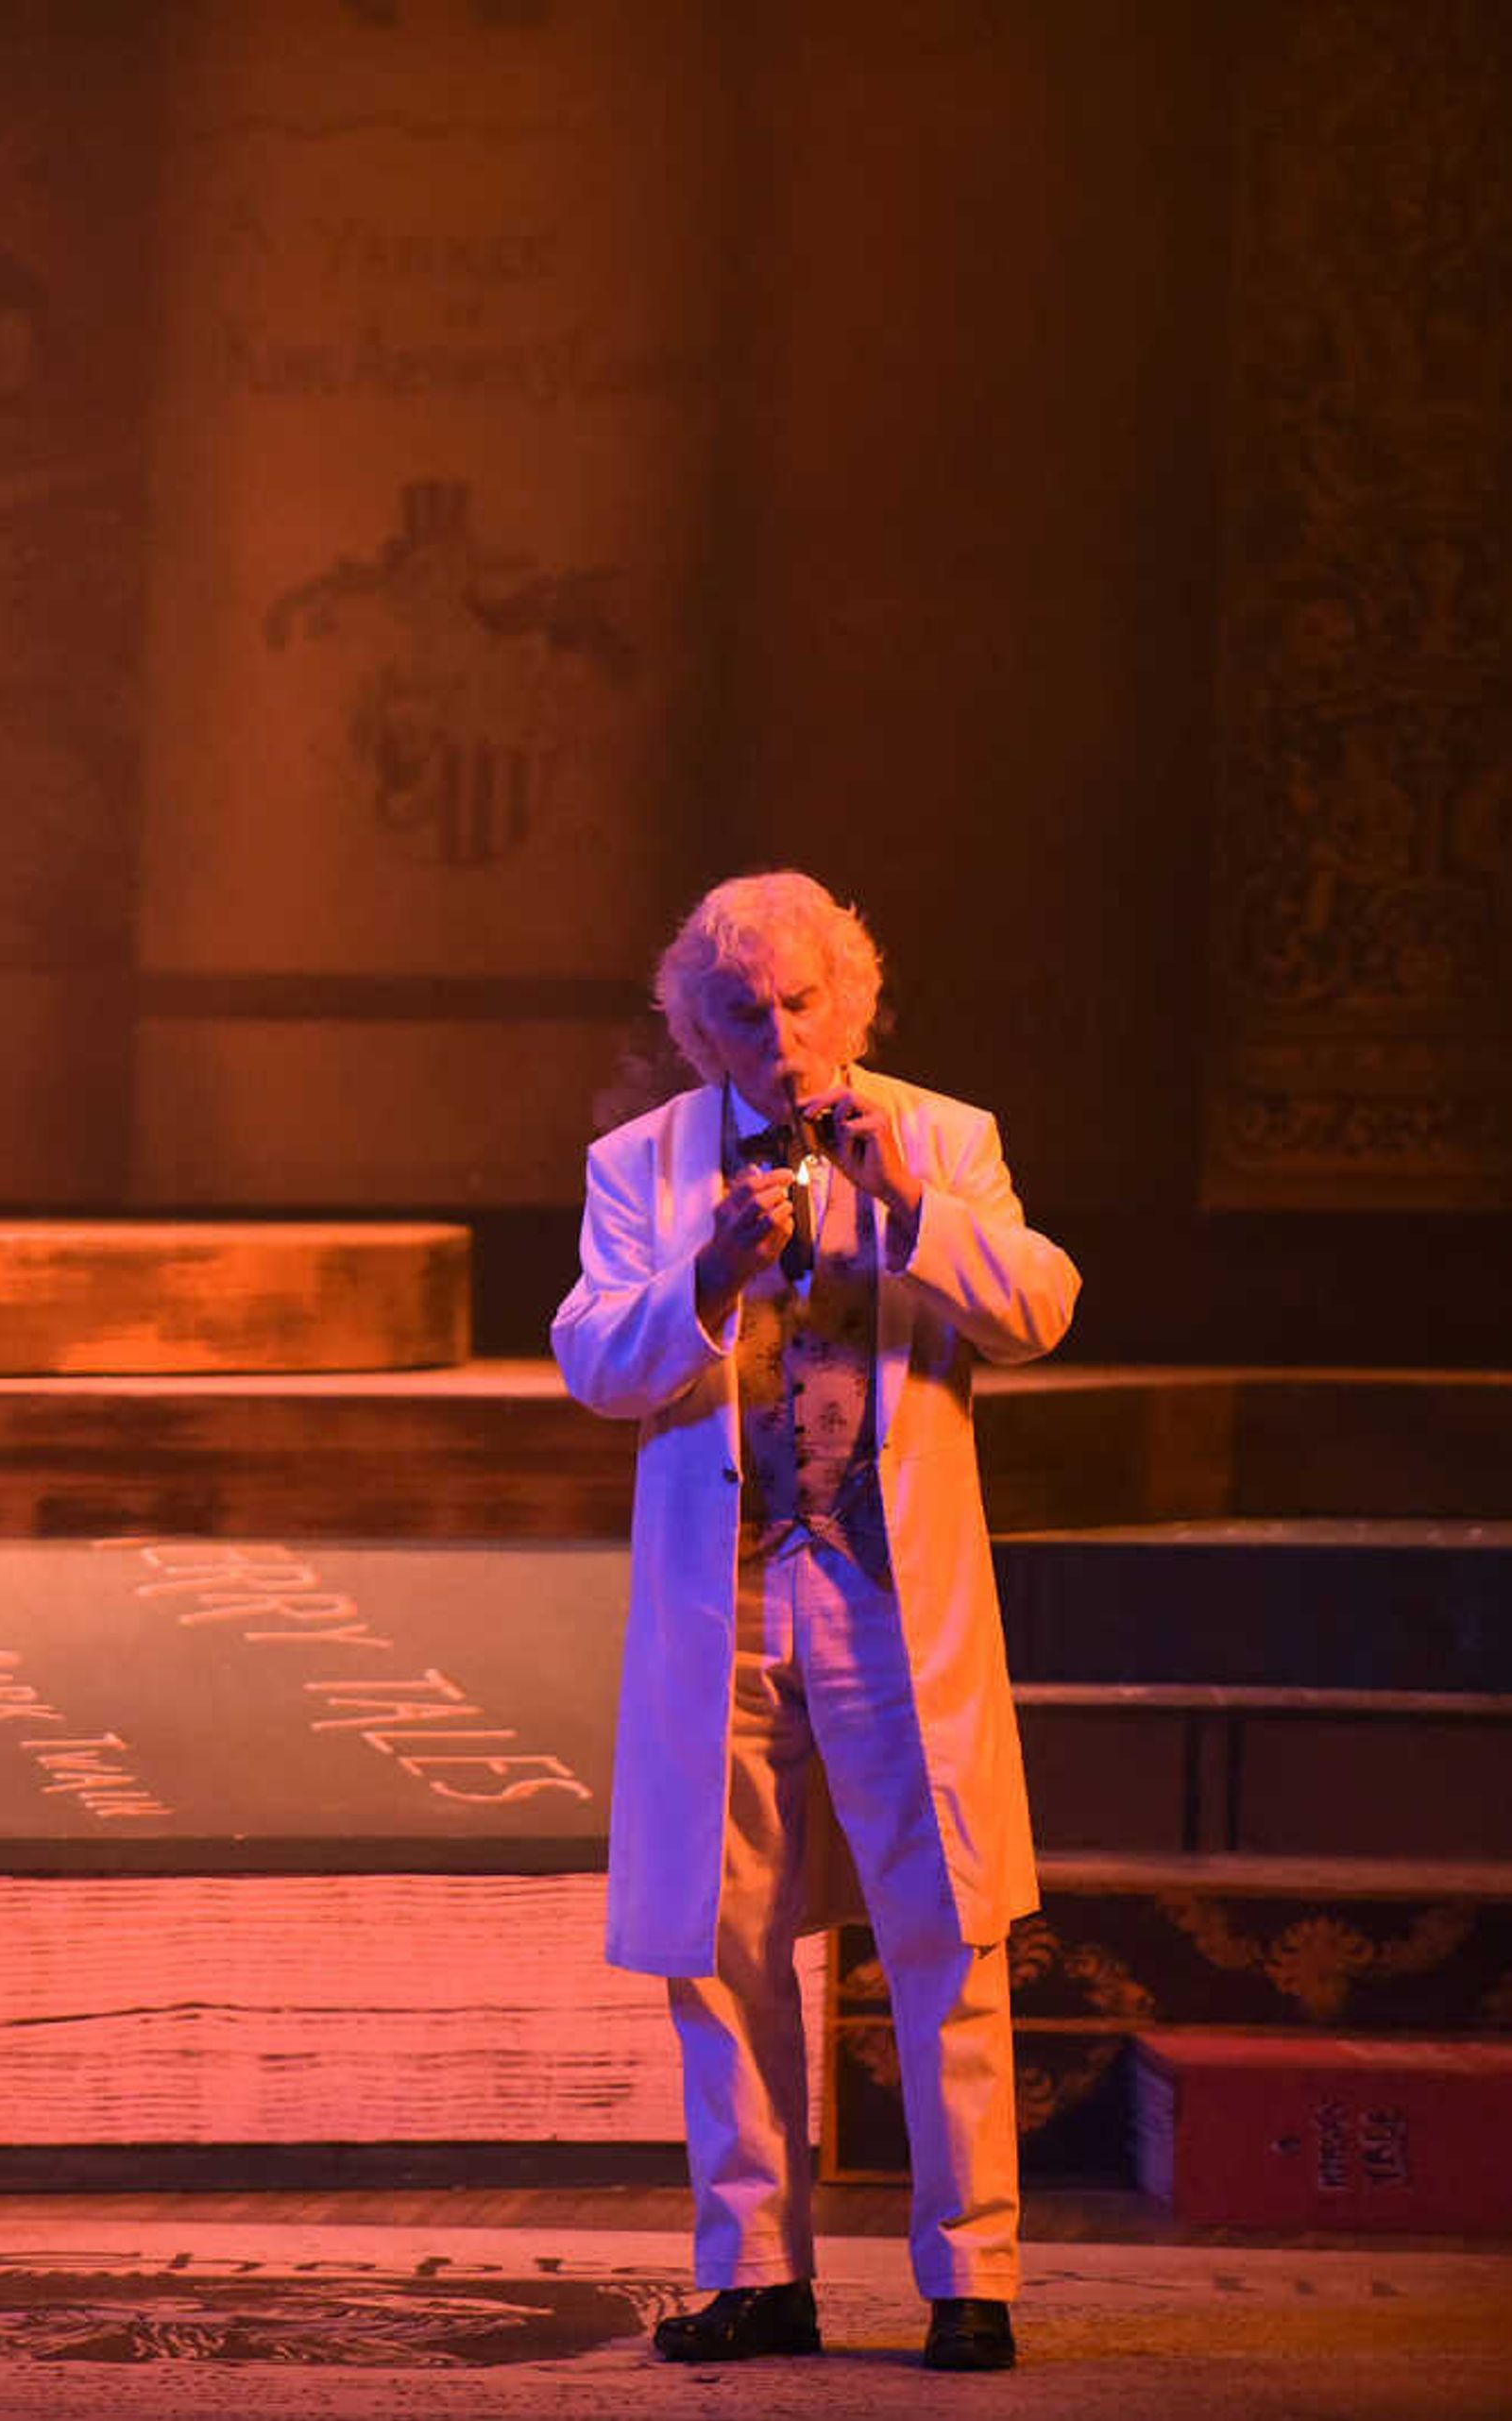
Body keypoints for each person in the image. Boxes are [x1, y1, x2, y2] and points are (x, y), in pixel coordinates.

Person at [551, 869, 1079, 2375]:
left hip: (884, 1591)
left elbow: (1039, 1308)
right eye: (739, 1008)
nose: (774, 1037)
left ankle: (970, 2274)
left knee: (943, 1927)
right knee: (721, 1943)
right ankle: (756, 2272)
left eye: (798, 1003)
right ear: (692, 1020)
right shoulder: (640, 1165)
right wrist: (705, 1273)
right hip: (727, 1599)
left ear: (848, 1003)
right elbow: (594, 1360)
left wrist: (909, 1206)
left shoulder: (943, 1137)